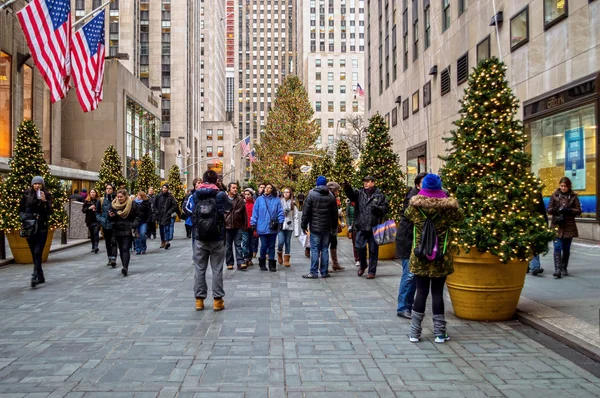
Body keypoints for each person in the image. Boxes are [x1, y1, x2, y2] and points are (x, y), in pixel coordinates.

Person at [405, 174, 463, 344]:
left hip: (419, 256)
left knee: (421, 292)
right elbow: (460, 218)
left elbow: (407, 216)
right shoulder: (448, 208)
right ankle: (439, 333)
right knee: (437, 293)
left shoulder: (414, 207)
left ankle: (414, 333)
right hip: (440, 256)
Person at [192, 170, 228, 311]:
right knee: (217, 269)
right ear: (216, 180)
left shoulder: (196, 195)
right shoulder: (220, 195)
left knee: (199, 269)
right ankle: (217, 300)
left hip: (200, 237)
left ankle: (199, 301)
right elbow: (228, 208)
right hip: (217, 237)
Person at [394, 172, 428, 319]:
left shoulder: (421, 197)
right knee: (409, 275)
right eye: (423, 183)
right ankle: (403, 307)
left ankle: (409, 304)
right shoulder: (413, 199)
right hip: (408, 241)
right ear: (417, 185)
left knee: (414, 275)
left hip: (414, 242)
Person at [343, 175, 388, 279]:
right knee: (359, 247)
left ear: (373, 183)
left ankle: (372, 271)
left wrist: (377, 208)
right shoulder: (359, 193)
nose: (365, 183)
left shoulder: (379, 195)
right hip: (361, 226)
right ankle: (363, 265)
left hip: (374, 227)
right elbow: (351, 195)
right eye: (364, 181)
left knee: (373, 250)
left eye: (368, 181)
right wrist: (347, 187)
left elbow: (385, 209)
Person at [301, 176, 338, 279]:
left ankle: (313, 272)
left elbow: (306, 212)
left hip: (315, 227)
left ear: (317, 183)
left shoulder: (311, 195)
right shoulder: (330, 196)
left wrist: (304, 225)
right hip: (327, 227)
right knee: (325, 249)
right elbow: (334, 213)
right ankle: (324, 271)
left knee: (315, 249)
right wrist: (334, 227)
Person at [20, 176, 52, 287]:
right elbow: (21, 209)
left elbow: (50, 211)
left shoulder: (46, 195)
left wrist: (44, 201)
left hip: (42, 226)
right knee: (33, 252)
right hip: (30, 227)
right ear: (32, 184)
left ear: (42, 184)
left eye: (39, 183)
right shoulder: (26, 194)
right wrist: (24, 218)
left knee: (38, 251)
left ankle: (35, 275)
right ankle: (40, 274)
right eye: (35, 183)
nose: (37, 185)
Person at [547, 177, 582, 278]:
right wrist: (556, 210)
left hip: (568, 226)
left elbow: (578, 210)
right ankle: (557, 269)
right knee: (557, 247)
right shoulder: (554, 195)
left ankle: (563, 267)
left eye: (565, 186)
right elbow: (549, 209)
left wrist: (568, 210)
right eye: (561, 186)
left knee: (566, 249)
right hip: (557, 225)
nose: (563, 188)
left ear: (568, 186)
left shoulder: (573, 196)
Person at [251, 183, 285, 272]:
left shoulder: (276, 200)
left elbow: (280, 212)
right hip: (262, 226)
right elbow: (255, 212)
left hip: (273, 227)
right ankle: (262, 262)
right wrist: (253, 223)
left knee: (272, 246)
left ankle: (271, 264)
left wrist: (281, 222)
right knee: (264, 245)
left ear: (272, 190)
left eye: (269, 188)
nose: (267, 189)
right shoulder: (259, 200)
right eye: (266, 188)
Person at [108, 189, 140, 276]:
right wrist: (111, 216)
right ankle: (124, 265)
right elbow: (110, 219)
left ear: (125, 196)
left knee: (125, 248)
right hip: (117, 229)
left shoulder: (132, 204)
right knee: (121, 249)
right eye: (118, 197)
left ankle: (125, 267)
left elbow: (137, 216)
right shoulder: (114, 205)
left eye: (121, 196)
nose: (119, 198)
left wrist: (134, 225)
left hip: (127, 229)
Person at [224, 182, 248, 271]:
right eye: (233, 188)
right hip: (227, 227)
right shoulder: (224, 199)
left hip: (238, 226)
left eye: (236, 188)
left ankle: (240, 262)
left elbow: (244, 214)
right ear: (229, 189)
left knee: (238, 245)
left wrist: (245, 225)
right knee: (228, 246)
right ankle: (229, 263)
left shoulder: (240, 200)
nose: (235, 189)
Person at [96, 184, 118, 267]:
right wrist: (100, 219)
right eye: (107, 188)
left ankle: (113, 258)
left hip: (114, 224)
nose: (108, 190)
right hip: (105, 224)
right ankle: (109, 257)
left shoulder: (116, 199)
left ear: (113, 190)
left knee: (114, 241)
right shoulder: (101, 200)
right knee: (108, 241)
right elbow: (97, 212)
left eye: (110, 188)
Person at [326, 181, 346, 271]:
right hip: (328, 225)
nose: (338, 192)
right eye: (337, 190)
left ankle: (335, 263)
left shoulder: (334, 198)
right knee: (326, 245)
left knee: (334, 243)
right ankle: (324, 265)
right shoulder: (328, 198)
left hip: (333, 225)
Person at [528, 191, 549, 276]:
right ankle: (531, 265)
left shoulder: (537, 194)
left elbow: (542, 209)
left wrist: (545, 222)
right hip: (524, 221)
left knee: (534, 244)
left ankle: (535, 266)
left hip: (536, 222)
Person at [154, 183, 178, 249]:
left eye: (165, 188)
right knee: (161, 229)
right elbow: (154, 206)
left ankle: (167, 241)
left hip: (167, 214)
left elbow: (174, 205)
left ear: (167, 189)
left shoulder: (170, 197)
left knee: (167, 228)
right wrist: (156, 212)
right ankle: (163, 241)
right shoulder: (158, 196)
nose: (164, 189)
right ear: (161, 189)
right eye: (163, 188)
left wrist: (169, 212)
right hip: (160, 215)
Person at [277, 187, 296, 267]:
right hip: (281, 225)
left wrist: (297, 230)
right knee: (281, 241)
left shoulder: (293, 203)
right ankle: (279, 253)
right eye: (284, 192)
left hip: (289, 225)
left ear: (290, 194)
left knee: (287, 242)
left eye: (288, 192)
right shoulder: (279, 202)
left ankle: (286, 259)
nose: (286, 193)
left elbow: (296, 216)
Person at [82, 188, 101, 254]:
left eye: (94, 192)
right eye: (91, 192)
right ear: (89, 194)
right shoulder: (87, 201)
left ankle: (96, 246)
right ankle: (93, 245)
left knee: (96, 232)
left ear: (96, 193)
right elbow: (83, 210)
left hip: (97, 220)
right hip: (89, 220)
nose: (92, 193)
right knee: (92, 234)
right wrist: (89, 208)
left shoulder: (98, 201)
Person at [241, 188, 256, 267]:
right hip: (244, 226)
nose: (246, 196)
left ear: (251, 195)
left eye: (248, 194)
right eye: (245, 194)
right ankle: (245, 257)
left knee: (251, 242)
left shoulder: (254, 204)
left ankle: (249, 258)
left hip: (252, 226)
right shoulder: (242, 203)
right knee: (245, 242)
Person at [345, 198, 360, 266]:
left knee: (361, 243)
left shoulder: (360, 203)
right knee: (355, 243)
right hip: (353, 226)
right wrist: (348, 225)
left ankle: (362, 258)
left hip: (360, 226)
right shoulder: (349, 205)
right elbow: (347, 216)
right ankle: (357, 259)